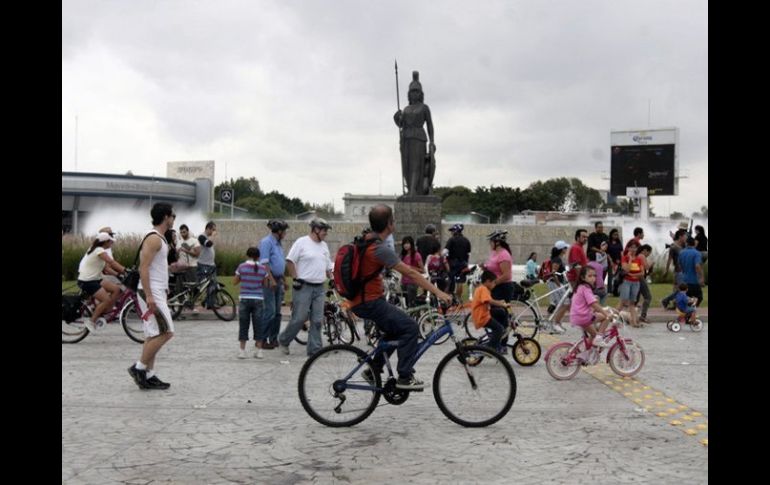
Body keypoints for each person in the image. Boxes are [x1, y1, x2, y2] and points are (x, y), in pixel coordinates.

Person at [349, 204, 451, 390]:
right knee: (410, 327)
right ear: (389, 224)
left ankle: (373, 368)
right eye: (393, 220)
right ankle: (404, 376)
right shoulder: (378, 248)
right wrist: (439, 292)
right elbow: (410, 273)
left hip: (365, 300)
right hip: (369, 302)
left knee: (395, 331)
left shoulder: (367, 241)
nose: (394, 223)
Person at [128, 202, 176, 390]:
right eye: (173, 216)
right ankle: (139, 368)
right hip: (151, 291)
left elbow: (155, 267)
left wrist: (164, 288)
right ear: (165, 216)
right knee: (167, 332)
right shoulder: (154, 239)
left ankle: (149, 374)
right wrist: (149, 295)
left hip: (157, 290)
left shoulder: (160, 239)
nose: (173, 219)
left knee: (153, 334)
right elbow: (144, 268)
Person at [278, 218, 334, 356]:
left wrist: (332, 279)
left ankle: (315, 349)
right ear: (315, 229)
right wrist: (295, 278)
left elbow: (328, 267)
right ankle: (284, 340)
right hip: (303, 286)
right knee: (299, 318)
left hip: (320, 287)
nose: (326, 233)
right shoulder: (301, 242)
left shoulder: (324, 246)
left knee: (317, 320)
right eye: (324, 230)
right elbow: (290, 261)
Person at [393, 71, 436, 195]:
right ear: (409, 94)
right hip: (406, 138)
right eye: (412, 92)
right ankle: (410, 189)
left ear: (420, 94)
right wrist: (397, 118)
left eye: (416, 91)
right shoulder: (406, 109)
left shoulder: (424, 108)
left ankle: (413, 191)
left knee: (416, 165)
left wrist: (432, 141)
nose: (414, 94)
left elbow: (429, 125)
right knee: (406, 166)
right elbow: (401, 125)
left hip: (418, 137)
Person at [77, 232, 127, 332]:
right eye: (110, 241)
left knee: (116, 289)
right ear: (105, 242)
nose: (112, 243)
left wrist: (118, 274)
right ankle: (92, 321)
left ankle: (105, 311)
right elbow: (111, 262)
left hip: (95, 279)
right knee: (106, 300)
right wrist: (125, 270)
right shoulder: (99, 250)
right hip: (88, 281)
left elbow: (106, 268)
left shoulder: (96, 250)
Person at [233, 247, 268, 359]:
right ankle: (259, 350)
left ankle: (242, 350)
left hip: (244, 297)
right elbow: (265, 284)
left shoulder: (241, 267)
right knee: (258, 324)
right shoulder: (263, 268)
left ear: (247, 255)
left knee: (244, 324)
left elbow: (235, 281)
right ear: (258, 256)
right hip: (258, 298)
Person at [260, 220, 289, 349]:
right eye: (284, 231)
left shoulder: (278, 244)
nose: (285, 233)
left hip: (278, 279)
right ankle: (262, 339)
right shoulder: (266, 242)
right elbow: (264, 263)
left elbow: (279, 263)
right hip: (269, 280)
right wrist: (271, 279)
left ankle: (273, 339)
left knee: (277, 312)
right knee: (270, 311)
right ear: (279, 231)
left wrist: (284, 279)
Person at [570, 266, 612, 349]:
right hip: (584, 317)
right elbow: (594, 304)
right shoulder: (586, 288)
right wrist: (606, 313)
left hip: (577, 316)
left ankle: (587, 354)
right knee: (606, 318)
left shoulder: (580, 287)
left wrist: (602, 309)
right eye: (590, 276)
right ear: (583, 277)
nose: (593, 278)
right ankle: (599, 338)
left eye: (594, 276)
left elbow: (588, 304)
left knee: (593, 334)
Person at [471, 270, 510, 352]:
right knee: (499, 329)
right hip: (482, 317)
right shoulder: (483, 289)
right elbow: (488, 301)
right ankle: (490, 348)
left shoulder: (482, 288)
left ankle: (495, 339)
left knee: (501, 312)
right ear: (488, 281)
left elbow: (490, 300)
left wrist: (500, 302)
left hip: (483, 314)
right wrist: (502, 304)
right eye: (494, 282)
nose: (494, 285)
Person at [483, 230, 515, 327]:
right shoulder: (494, 252)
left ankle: (502, 339)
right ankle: (497, 335)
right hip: (496, 287)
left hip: (503, 287)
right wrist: (485, 267)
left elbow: (507, 275)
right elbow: (494, 267)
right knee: (495, 313)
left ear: (497, 242)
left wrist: (494, 283)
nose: (490, 243)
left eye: (491, 241)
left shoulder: (504, 255)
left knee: (501, 315)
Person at [618, 241, 644, 327]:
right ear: (628, 248)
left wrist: (633, 275)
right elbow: (626, 270)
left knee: (632, 303)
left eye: (635, 248)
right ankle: (611, 317)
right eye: (631, 247)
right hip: (626, 282)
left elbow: (642, 273)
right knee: (623, 301)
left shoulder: (639, 259)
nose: (633, 249)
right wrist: (629, 260)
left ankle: (634, 322)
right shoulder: (624, 258)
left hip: (636, 283)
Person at [546, 241, 570, 334]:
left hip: (556, 283)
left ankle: (553, 323)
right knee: (565, 302)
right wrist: (559, 284)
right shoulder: (557, 259)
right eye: (565, 248)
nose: (566, 250)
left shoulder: (557, 258)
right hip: (555, 283)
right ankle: (556, 323)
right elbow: (553, 273)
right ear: (561, 250)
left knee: (555, 303)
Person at [661, 229, 688, 310]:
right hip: (678, 271)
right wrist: (666, 270)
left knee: (678, 290)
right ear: (680, 237)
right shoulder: (673, 247)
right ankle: (667, 300)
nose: (686, 237)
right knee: (681, 289)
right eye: (685, 236)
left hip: (683, 271)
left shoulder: (684, 246)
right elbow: (669, 259)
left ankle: (670, 302)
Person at [445, 223, 471, 299]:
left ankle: (449, 296)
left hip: (452, 264)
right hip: (463, 263)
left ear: (456, 231)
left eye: (452, 230)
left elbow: (445, 251)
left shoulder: (451, 239)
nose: (451, 232)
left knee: (450, 280)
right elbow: (468, 254)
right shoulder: (466, 241)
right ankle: (458, 298)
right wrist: (466, 264)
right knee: (460, 281)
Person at [196, 221, 218, 309]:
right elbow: (208, 244)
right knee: (201, 285)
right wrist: (213, 236)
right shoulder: (202, 237)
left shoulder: (209, 237)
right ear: (208, 228)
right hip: (203, 265)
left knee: (213, 284)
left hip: (211, 265)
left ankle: (210, 303)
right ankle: (199, 301)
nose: (214, 231)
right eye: (213, 229)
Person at [679, 237, 705, 306]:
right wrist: (701, 277)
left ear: (686, 243)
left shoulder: (681, 253)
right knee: (699, 297)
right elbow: (697, 266)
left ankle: (688, 312)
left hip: (684, 280)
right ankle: (690, 311)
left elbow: (680, 266)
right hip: (694, 281)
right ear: (694, 244)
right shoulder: (697, 253)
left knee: (687, 298)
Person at [400, 236, 423, 307]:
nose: (405, 245)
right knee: (405, 304)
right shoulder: (403, 255)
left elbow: (422, 270)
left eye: (407, 243)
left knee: (411, 303)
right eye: (404, 243)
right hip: (403, 282)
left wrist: (411, 268)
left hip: (412, 283)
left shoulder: (416, 255)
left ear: (411, 244)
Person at [635, 244, 654, 323]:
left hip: (637, 278)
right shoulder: (641, 256)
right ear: (645, 250)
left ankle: (632, 316)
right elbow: (646, 267)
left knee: (635, 298)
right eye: (649, 253)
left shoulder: (638, 256)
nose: (648, 255)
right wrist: (652, 264)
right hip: (640, 278)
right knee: (648, 297)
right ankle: (643, 316)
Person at [606, 229, 624, 296]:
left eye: (617, 234)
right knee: (610, 276)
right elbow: (607, 253)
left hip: (618, 262)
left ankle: (616, 291)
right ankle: (609, 291)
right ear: (611, 235)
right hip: (610, 262)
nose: (616, 236)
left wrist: (621, 260)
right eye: (614, 234)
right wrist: (610, 260)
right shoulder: (608, 242)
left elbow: (621, 252)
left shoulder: (619, 242)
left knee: (618, 276)